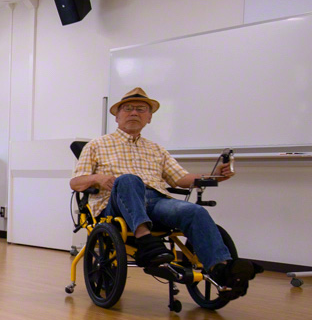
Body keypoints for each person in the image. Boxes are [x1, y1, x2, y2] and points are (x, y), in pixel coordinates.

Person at [70, 86, 259, 292]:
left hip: (157, 202)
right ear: (116, 116)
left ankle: (222, 269)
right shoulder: (97, 145)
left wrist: (214, 177)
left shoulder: (157, 149)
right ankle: (146, 242)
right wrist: (98, 177)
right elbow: (76, 183)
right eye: (128, 108)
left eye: (141, 109)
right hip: (116, 205)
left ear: (149, 118)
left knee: (194, 211)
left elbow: (181, 179)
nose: (134, 112)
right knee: (129, 180)